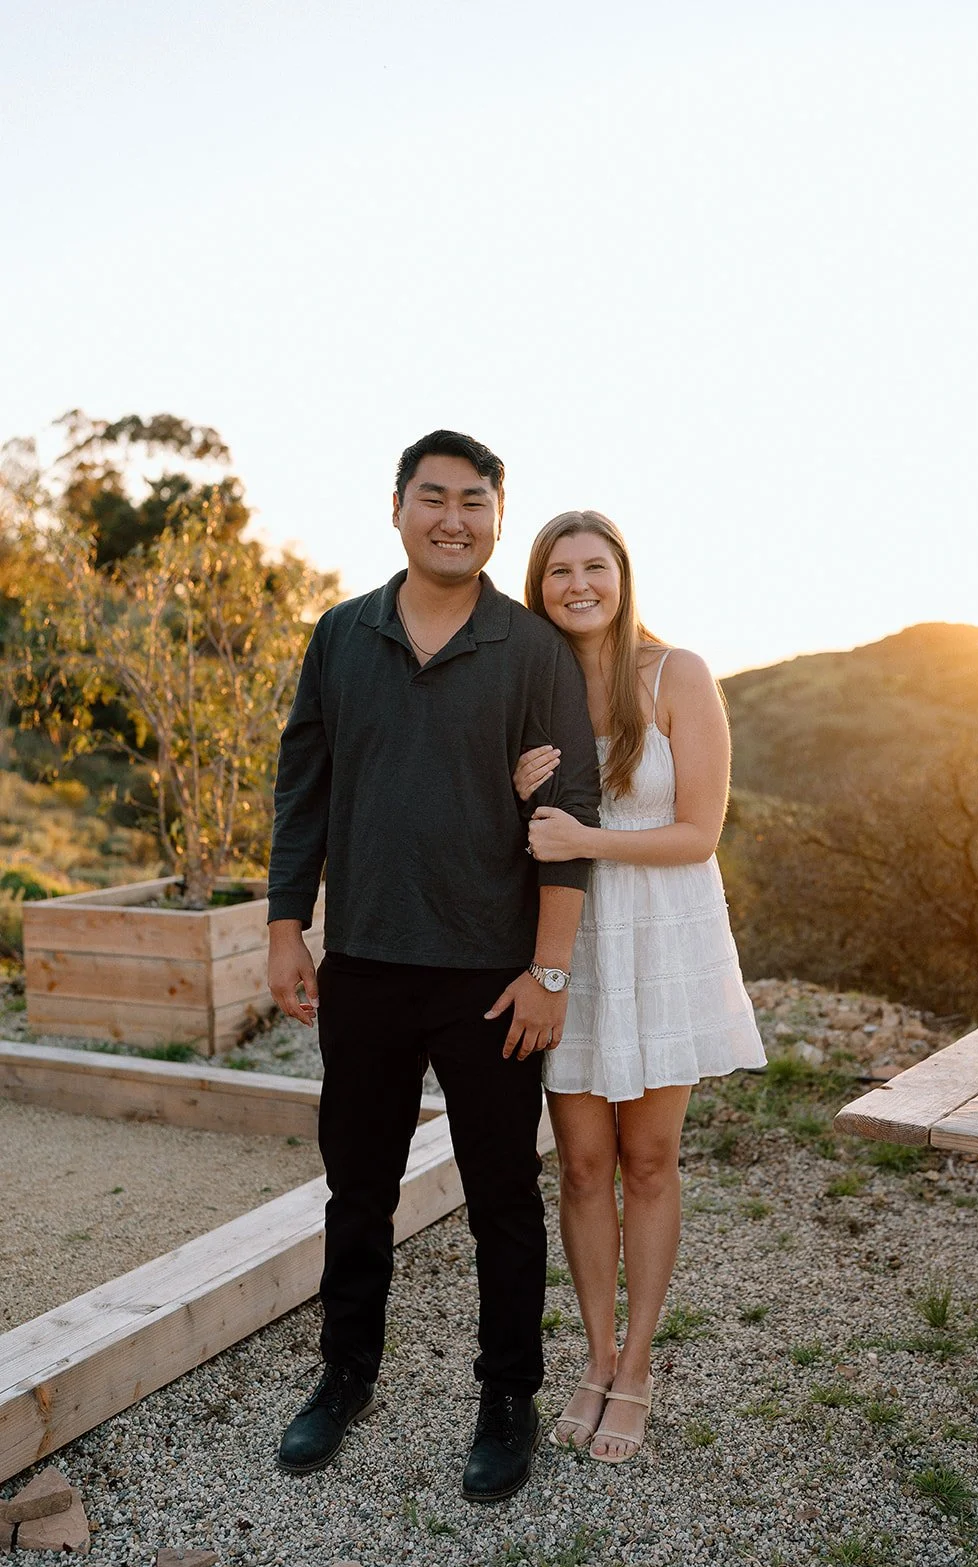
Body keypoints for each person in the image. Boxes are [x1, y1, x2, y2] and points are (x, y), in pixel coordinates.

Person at [266, 431, 600, 1502]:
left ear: (498, 516)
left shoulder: (532, 650)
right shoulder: (338, 633)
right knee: (354, 1187)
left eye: (473, 501)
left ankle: (508, 1399)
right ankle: (344, 1374)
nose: (452, 517)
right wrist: (284, 922)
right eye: (432, 498)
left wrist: (547, 975)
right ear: (397, 507)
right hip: (361, 962)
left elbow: (568, 814)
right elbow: (302, 786)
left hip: (489, 977)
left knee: (503, 1195)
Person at [513, 509, 766, 1463]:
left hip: (662, 941)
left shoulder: (678, 674)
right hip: (568, 942)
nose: (577, 586)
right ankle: (594, 1357)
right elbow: (518, 839)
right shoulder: (528, 689)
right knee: (579, 1165)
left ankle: (641, 1365)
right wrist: (513, 791)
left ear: (622, 577)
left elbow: (699, 832)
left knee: (648, 1161)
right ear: (538, 587)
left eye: (594, 568)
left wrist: (588, 840)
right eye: (558, 572)